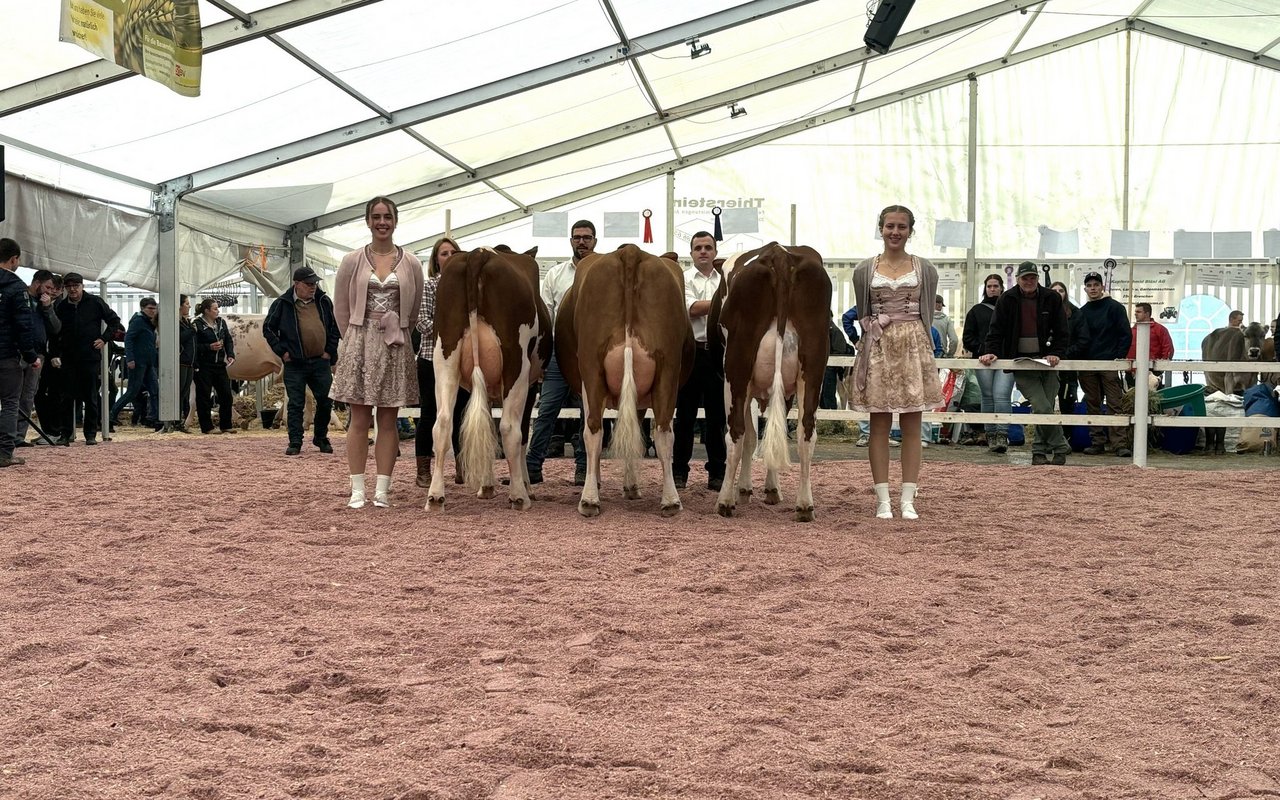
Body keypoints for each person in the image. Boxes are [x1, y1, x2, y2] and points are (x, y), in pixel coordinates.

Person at [848, 205, 942, 520]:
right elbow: (863, 311)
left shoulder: (924, 268)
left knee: (913, 424)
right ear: (881, 228)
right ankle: (883, 499)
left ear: (910, 231)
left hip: (913, 344)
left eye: (901, 227)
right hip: (878, 345)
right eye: (890, 226)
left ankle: (908, 499)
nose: (895, 232)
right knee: (879, 424)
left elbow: (926, 311)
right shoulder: (865, 269)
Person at [330, 196, 424, 509]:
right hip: (360, 341)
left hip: (395, 344)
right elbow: (341, 306)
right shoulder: (352, 260)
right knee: (359, 418)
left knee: (388, 418)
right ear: (368, 221)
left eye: (387, 217)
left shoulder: (411, 263)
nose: (382, 222)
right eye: (377, 217)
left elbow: (413, 308)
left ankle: (382, 489)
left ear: (395, 221)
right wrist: (353, 339)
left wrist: (399, 332)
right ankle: (357, 488)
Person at [525, 221, 596, 486]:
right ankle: (532, 466)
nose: (582, 242)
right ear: (571, 241)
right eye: (577, 237)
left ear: (595, 241)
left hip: (591, 353)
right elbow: (546, 316)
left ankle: (584, 468)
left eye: (587, 237)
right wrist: (541, 359)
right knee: (547, 410)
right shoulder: (555, 274)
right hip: (558, 351)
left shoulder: (603, 274)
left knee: (589, 412)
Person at [979, 261, 1070, 466]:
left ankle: (1039, 451)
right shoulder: (1006, 299)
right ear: (1018, 279)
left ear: (1037, 278)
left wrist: (1056, 353)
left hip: (1048, 362)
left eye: (1032, 277)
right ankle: (1060, 446)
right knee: (1042, 406)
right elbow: (996, 330)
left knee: (1045, 408)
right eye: (1025, 278)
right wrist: (991, 351)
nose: (1029, 281)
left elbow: (1062, 331)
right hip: (1021, 362)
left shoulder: (1052, 298)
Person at [264, 266, 341, 456]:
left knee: (326, 400)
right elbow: (268, 329)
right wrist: (282, 352)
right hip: (295, 363)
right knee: (296, 403)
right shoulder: (282, 303)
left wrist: (329, 351)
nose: (313, 287)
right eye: (308, 284)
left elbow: (335, 327)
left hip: (320, 361)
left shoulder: (323, 301)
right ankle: (295, 440)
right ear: (297, 284)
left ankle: (321, 437)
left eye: (314, 283)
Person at [673, 231, 727, 491]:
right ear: (691, 253)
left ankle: (717, 472)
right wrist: (724, 302)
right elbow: (691, 309)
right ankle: (679, 472)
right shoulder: (681, 279)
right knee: (684, 417)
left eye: (708, 247)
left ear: (715, 252)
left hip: (718, 353)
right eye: (698, 248)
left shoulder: (725, 278)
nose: (703, 251)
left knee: (718, 418)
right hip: (690, 353)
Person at [414, 237, 466, 487]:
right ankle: (423, 470)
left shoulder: (467, 288)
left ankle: (463, 466)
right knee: (429, 413)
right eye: (444, 253)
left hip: (462, 360)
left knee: (461, 413)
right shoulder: (430, 286)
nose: (449, 257)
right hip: (430, 357)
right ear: (436, 260)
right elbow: (422, 323)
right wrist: (452, 327)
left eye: (453, 253)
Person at [53, 272, 124, 445]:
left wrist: (104, 339)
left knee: (90, 396)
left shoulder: (95, 302)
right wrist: (55, 354)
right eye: (69, 287)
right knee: (66, 397)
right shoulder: (61, 306)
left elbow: (114, 321)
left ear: (82, 286)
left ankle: (90, 434)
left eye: (75, 286)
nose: (72, 290)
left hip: (90, 357)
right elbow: (55, 332)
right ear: (65, 288)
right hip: (68, 357)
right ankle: (65, 434)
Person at [1073, 271, 1131, 456]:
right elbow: (1079, 338)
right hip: (1088, 364)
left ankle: (1119, 444)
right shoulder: (1082, 312)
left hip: (1109, 363)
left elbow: (1125, 334)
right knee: (1092, 403)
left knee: (1115, 403)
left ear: (1102, 287)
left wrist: (1118, 358)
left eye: (1096, 285)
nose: (1093, 288)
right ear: (1085, 289)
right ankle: (1097, 441)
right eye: (1089, 286)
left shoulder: (1115, 308)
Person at [963, 273, 1014, 454]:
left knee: (1002, 395)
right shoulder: (976, 311)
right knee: (987, 395)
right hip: (983, 360)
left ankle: (1002, 434)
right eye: (989, 286)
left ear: (1002, 288)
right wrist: (982, 350)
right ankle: (990, 433)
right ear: (985, 289)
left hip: (1006, 359)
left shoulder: (1011, 310)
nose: (992, 289)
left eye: (996, 286)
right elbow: (967, 337)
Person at [0, 238, 40, 467]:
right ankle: (4, 453)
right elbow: (23, 326)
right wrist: (31, 356)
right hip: (6, 355)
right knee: (9, 403)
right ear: (14, 259)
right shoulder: (16, 287)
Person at [14, 269, 60, 447]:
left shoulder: (44, 304)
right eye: (47, 287)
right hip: (17, 352)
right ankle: (8, 434)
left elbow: (56, 328)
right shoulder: (20, 297)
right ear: (37, 283)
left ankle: (19, 435)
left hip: (38, 353)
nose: (50, 292)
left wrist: (48, 308)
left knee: (28, 395)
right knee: (12, 394)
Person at [109, 297, 161, 430]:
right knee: (132, 391)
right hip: (138, 362)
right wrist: (130, 358)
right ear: (142, 308)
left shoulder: (148, 322)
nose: (153, 311)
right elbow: (128, 338)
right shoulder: (138, 321)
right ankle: (111, 416)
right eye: (150, 308)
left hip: (148, 362)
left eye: (154, 308)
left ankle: (155, 418)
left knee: (154, 391)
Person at [193, 298, 238, 435]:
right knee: (204, 396)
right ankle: (207, 427)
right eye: (215, 309)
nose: (218, 311)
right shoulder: (197, 324)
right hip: (204, 365)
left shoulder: (221, 322)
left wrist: (230, 354)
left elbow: (228, 339)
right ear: (207, 311)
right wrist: (209, 347)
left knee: (226, 395)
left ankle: (226, 425)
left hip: (219, 364)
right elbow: (194, 346)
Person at [1049, 280, 1081, 422]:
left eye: (1061, 291)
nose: (1057, 293)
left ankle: (1067, 432)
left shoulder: (1075, 313)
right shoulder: (1042, 312)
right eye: (1054, 291)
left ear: (1066, 294)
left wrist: (1064, 354)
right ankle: (1046, 432)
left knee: (1067, 400)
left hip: (1068, 365)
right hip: (1047, 363)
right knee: (1046, 401)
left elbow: (1082, 339)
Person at [1124, 302, 1174, 388]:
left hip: (1153, 371)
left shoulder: (1160, 330)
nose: (1135, 314)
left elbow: (1167, 348)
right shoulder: (1131, 331)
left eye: (1139, 312)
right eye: (1135, 312)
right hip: (1132, 371)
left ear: (1147, 314)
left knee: (1152, 395)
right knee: (1132, 395)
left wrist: (1160, 368)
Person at [820, 315, 854, 410]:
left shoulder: (834, 331)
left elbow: (839, 351)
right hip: (832, 367)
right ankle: (830, 409)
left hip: (833, 367)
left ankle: (831, 410)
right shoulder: (829, 331)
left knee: (830, 391)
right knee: (831, 391)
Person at [175, 294, 196, 432]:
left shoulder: (186, 322)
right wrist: (192, 330)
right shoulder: (176, 322)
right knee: (179, 392)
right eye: (187, 303)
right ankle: (175, 420)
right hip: (181, 361)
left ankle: (179, 421)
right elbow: (178, 338)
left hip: (190, 361)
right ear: (179, 306)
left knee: (184, 393)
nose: (189, 306)